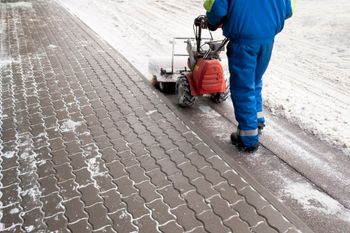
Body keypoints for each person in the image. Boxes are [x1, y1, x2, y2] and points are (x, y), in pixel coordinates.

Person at [204, 0, 295, 152]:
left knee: (243, 88)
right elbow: (288, 11)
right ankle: (257, 120)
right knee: (254, 80)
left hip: (243, 41)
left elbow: (217, 9)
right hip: (267, 39)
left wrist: (213, 23)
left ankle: (248, 139)